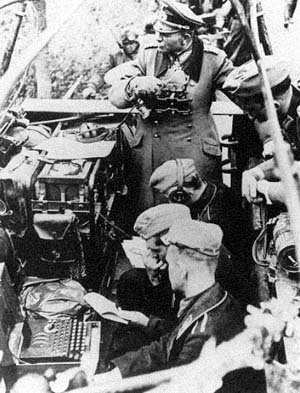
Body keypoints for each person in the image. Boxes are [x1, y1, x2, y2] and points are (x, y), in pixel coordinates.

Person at [92, 219, 266, 393]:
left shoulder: (205, 330)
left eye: (169, 263)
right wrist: (116, 374)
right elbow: (168, 343)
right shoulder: (211, 298)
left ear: (181, 269)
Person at [108, 0, 248, 215]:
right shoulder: (149, 54)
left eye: (165, 34)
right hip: (151, 153)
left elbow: (246, 93)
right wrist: (133, 85)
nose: (158, 38)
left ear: (185, 38)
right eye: (158, 32)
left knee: (196, 215)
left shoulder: (213, 60)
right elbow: (116, 97)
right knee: (152, 217)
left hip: (194, 153)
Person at [108, 203, 191, 360]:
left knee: (124, 346)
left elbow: (180, 329)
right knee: (130, 279)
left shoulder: (193, 270)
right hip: (173, 319)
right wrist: (154, 278)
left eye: (156, 250)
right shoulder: (187, 251)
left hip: (182, 340)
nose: (151, 256)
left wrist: (147, 323)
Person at [222, 55, 300, 204]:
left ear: (273, 105)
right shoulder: (291, 106)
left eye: (252, 111)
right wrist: (256, 172)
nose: (251, 117)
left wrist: (264, 189)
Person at [82, 26, 140, 99]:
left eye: (131, 43)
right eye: (125, 44)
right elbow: (101, 73)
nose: (128, 46)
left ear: (137, 42)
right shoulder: (115, 56)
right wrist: (92, 87)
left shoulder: (145, 55)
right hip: (121, 93)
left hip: (141, 91)